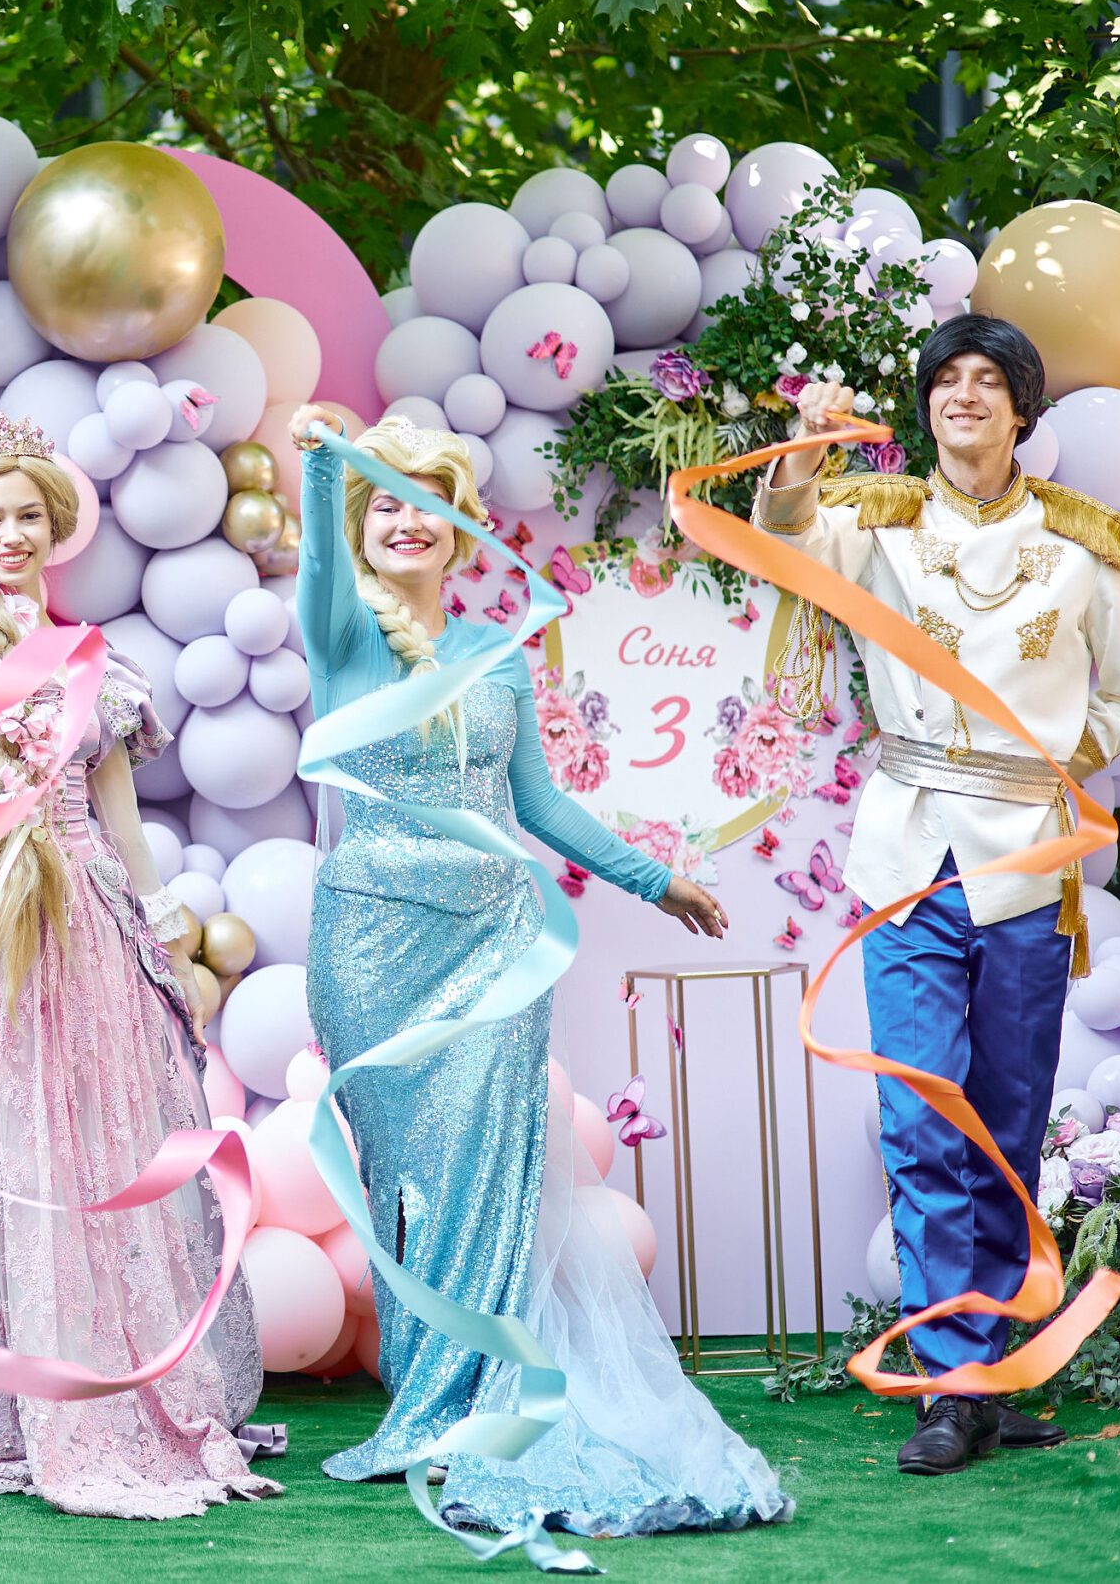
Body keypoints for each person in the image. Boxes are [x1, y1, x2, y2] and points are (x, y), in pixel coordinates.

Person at [288, 407, 791, 1535]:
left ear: (463, 532)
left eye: (429, 504)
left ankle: (460, 1411)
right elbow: (321, 553)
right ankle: (421, 1403)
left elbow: (539, 807)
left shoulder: (497, 659)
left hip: (494, 950)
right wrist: (325, 466)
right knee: (404, 1189)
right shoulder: (340, 638)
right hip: (370, 944)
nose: (404, 522)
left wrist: (656, 880)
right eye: (386, 504)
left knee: (483, 1188)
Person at [0, 359, 276, 1520]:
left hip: (81, 909)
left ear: (53, 530)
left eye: (29, 515)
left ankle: (120, 1366)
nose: (12, 534)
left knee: (92, 1136)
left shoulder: (93, 660)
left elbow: (120, 810)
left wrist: (155, 915)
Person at [754, 315, 1120, 1474]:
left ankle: (986, 1370)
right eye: (947, 381)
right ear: (928, 406)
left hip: (1027, 863)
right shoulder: (877, 519)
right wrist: (800, 456)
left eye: (990, 380)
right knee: (922, 1115)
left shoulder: (1079, 539)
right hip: (909, 856)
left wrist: (1046, 768)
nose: (965, 397)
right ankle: (950, 1380)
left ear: (1023, 410)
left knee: (1005, 1121)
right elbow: (786, 543)